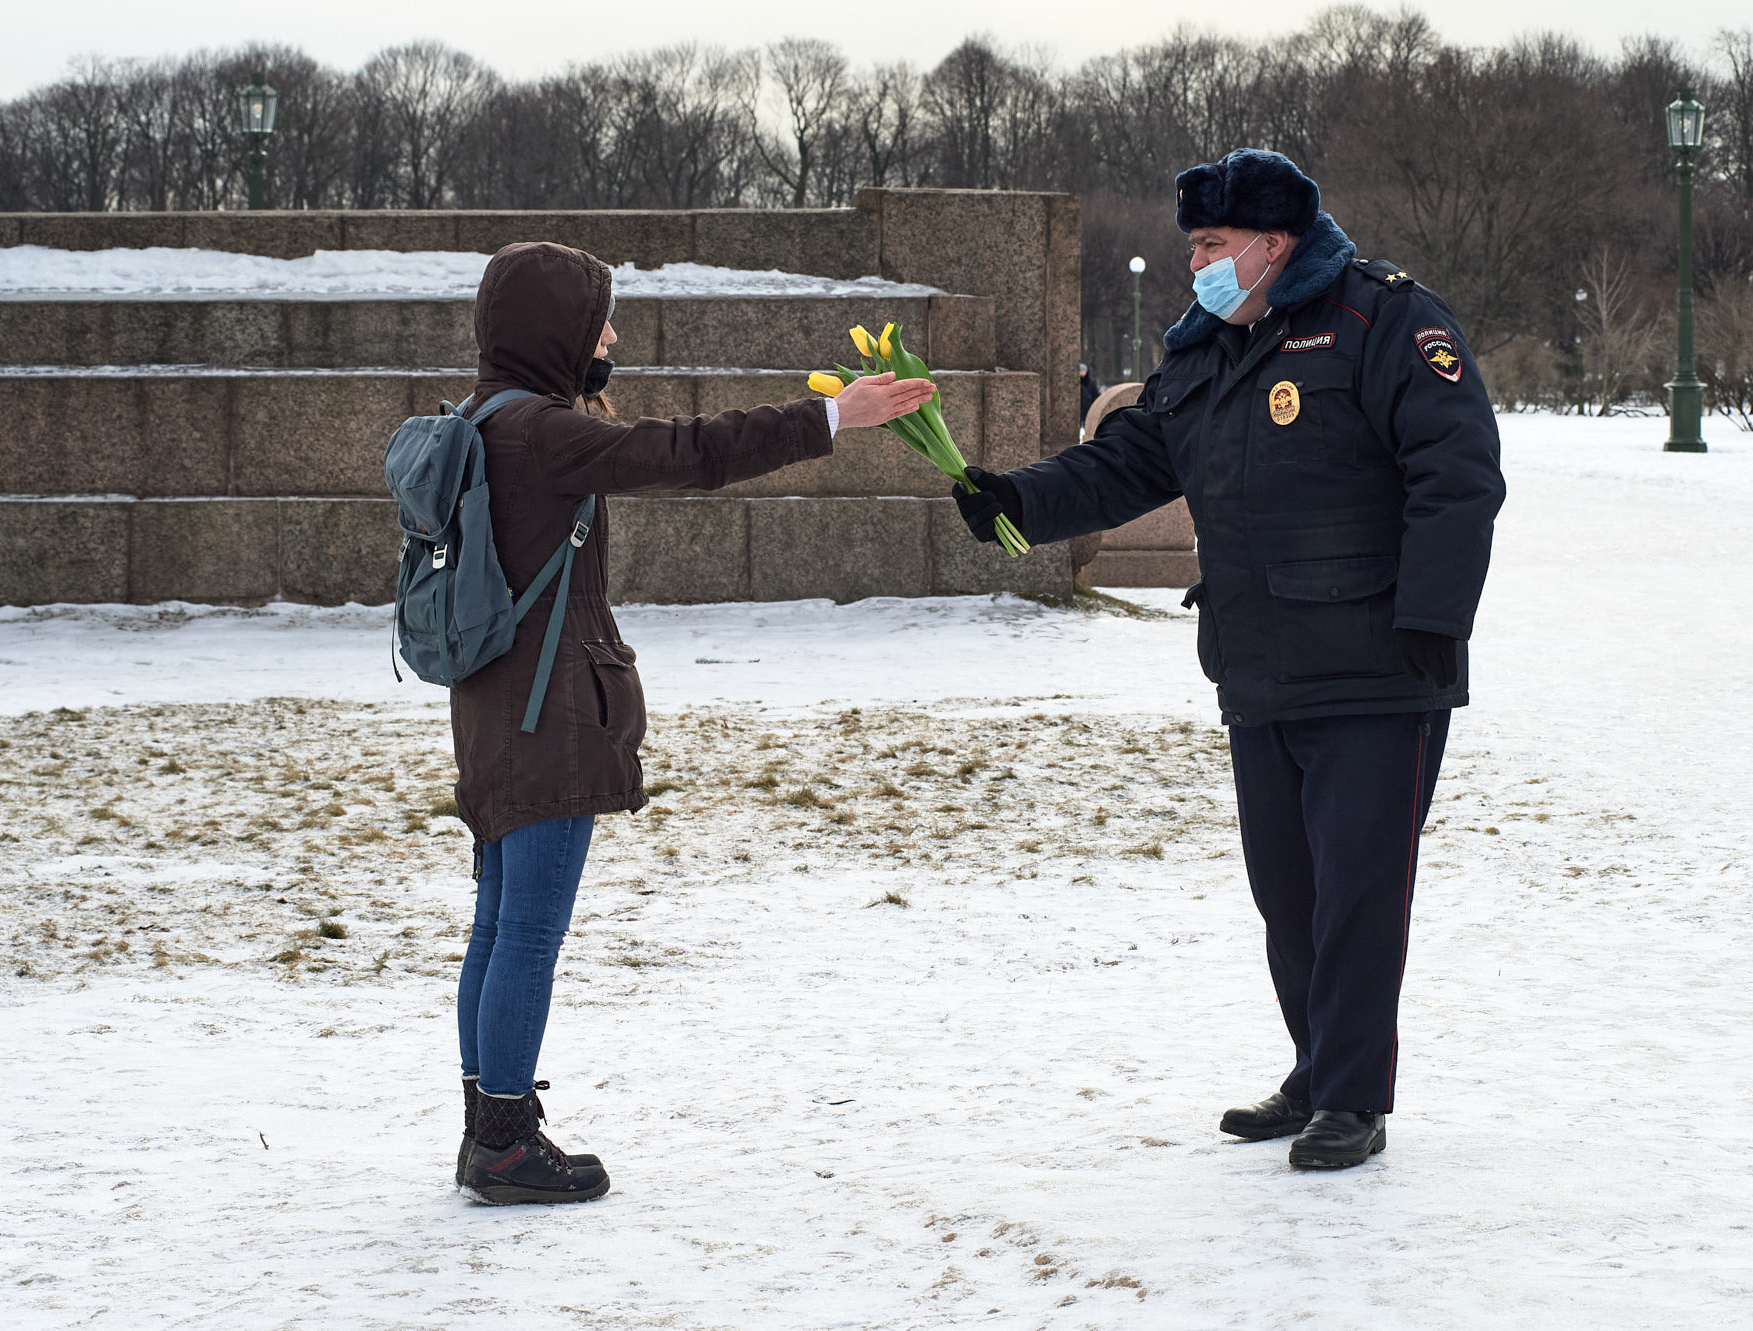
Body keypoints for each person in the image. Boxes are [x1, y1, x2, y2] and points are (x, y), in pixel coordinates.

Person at [953, 150, 1505, 1169]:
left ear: (1272, 242)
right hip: (1256, 664)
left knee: (1356, 893)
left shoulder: (1382, 320)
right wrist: (1020, 503)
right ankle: (1312, 1068)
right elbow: (1130, 458)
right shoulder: (1206, 348)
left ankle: (1349, 1094)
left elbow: (1456, 470)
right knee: (1286, 893)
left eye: (1210, 245)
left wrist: (1434, 615)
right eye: (1193, 246)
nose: (1195, 264)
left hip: (1379, 667)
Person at [449, 242, 936, 1204]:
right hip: (547, 710)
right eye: (600, 322)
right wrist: (834, 415)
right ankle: (503, 1141)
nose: (613, 337)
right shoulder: (543, 433)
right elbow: (689, 451)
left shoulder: (482, 420)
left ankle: (489, 1122)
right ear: (556, 332)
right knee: (528, 931)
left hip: (496, 699)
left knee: (499, 923)